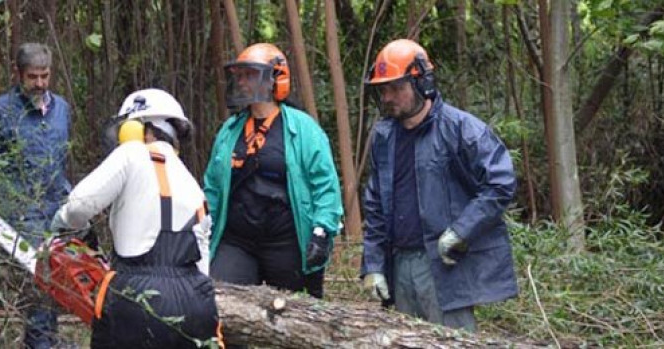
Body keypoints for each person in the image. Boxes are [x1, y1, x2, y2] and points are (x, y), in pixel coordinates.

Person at [359, 39, 519, 332]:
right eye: (383, 89)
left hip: (445, 265)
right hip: (400, 263)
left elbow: (500, 183)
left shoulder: (460, 128)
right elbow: (376, 207)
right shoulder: (384, 138)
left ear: (422, 82)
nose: (388, 97)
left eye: (397, 87)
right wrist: (373, 265)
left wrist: (461, 230)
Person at [50, 88, 221, 348]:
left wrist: (62, 224)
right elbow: (203, 265)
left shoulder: (131, 154)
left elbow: (77, 207)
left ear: (141, 129)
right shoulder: (193, 185)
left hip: (138, 296)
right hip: (197, 301)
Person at [204, 43, 343, 301]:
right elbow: (212, 186)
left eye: (250, 74)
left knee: (298, 321)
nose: (242, 82)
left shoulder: (304, 129)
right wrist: (202, 227)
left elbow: (325, 185)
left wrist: (322, 231)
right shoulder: (229, 131)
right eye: (240, 75)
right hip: (237, 241)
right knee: (222, 305)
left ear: (274, 80)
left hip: (287, 241)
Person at [0, 42, 71, 349]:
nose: (40, 83)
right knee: (37, 288)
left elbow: (61, 159)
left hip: (56, 214)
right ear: (18, 74)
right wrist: (13, 207)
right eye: (33, 77)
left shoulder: (62, 109)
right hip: (19, 218)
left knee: (55, 287)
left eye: (44, 75)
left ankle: (45, 343)